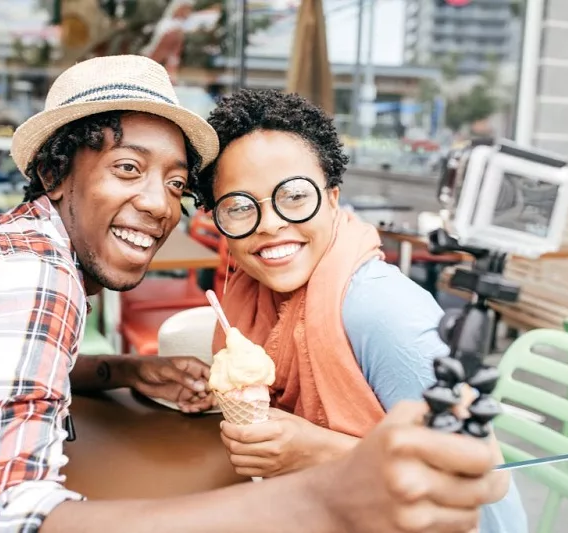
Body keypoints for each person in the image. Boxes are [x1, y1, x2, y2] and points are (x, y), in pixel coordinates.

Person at [0, 54, 499, 533]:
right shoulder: (32, 274)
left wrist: (123, 369)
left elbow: (489, 487)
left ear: (333, 199)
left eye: (176, 183)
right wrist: (324, 493)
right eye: (127, 168)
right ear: (53, 172)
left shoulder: (375, 306)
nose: (156, 203)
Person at [192, 89, 528, 532]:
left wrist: (316, 449)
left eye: (294, 196)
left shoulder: (379, 310)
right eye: (238, 207)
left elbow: (484, 473)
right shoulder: (253, 296)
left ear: (332, 197)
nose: (270, 224)